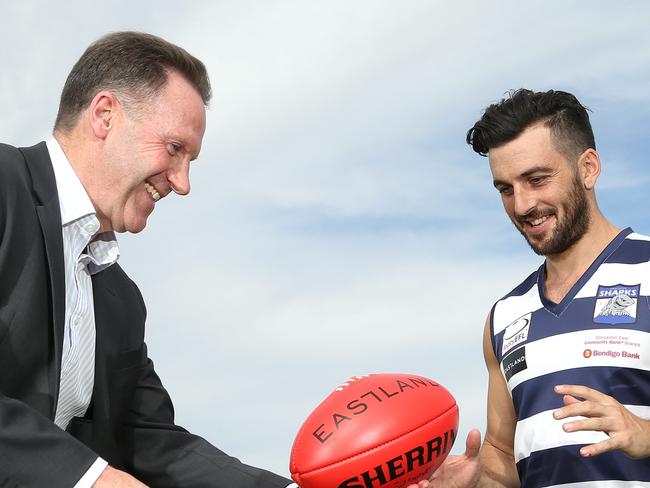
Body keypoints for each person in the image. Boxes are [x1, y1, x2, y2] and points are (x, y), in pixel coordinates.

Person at [0, 31, 296, 488]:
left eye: (190, 160)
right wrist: (93, 480)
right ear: (104, 115)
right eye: (175, 149)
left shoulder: (122, 299)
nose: (182, 183)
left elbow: (154, 442)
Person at [411, 89, 650, 488]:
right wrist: (475, 482)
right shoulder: (504, 316)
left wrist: (645, 434)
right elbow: (503, 458)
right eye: (506, 189)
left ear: (588, 168)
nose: (522, 205)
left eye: (537, 179)